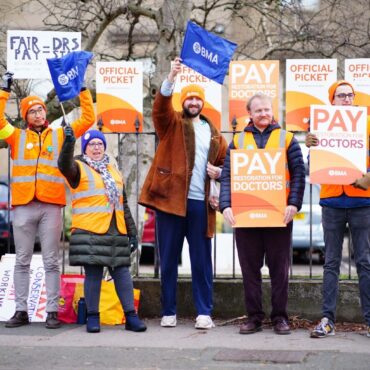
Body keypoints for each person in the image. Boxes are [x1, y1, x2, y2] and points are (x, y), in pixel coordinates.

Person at [0, 72, 95, 329]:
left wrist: (82, 89)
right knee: (22, 259)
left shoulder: (60, 133)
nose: (39, 114)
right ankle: (21, 311)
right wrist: (3, 91)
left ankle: (52, 311)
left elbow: (89, 118)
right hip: (23, 206)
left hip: (51, 205)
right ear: (25, 116)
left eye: (41, 110)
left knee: (52, 260)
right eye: (33, 111)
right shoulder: (16, 136)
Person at [139, 57, 228, 329]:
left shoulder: (216, 135)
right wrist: (171, 77)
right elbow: (159, 109)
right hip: (170, 203)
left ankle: (204, 313)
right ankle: (169, 311)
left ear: (203, 104)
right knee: (167, 260)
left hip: (201, 205)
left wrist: (220, 173)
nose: (193, 102)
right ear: (184, 102)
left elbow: (227, 166)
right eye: (189, 99)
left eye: (197, 99)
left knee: (202, 261)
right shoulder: (171, 123)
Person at [220, 93, 305, 335]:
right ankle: (254, 317)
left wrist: (294, 204)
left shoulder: (287, 139)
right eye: (258, 111)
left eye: (267, 109)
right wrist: (226, 205)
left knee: (279, 269)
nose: (264, 114)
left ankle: (280, 317)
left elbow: (299, 174)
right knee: (249, 269)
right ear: (250, 114)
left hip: (279, 215)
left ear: (272, 110)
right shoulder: (237, 141)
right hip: (246, 215)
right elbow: (227, 176)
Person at [58, 128, 146, 333]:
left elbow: (122, 205)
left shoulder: (113, 169)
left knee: (122, 272)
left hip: (116, 228)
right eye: (91, 144)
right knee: (93, 273)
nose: (96, 148)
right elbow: (63, 164)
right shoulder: (77, 168)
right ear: (85, 148)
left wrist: (132, 232)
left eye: (99, 144)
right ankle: (92, 316)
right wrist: (69, 143)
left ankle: (131, 317)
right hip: (91, 229)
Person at [306, 80, 370, 339]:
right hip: (332, 201)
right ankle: (327, 320)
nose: (346, 98)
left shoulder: (365, 123)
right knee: (331, 262)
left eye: (350, 95)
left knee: (364, 262)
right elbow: (314, 165)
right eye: (341, 95)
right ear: (332, 100)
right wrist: (311, 146)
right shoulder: (320, 126)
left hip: (362, 202)